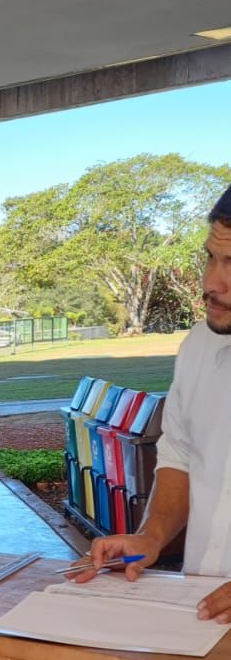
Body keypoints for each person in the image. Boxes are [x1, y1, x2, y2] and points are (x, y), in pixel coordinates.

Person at [74, 184, 231, 620]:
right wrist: (152, 536)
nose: (210, 283)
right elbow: (180, 457)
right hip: (200, 614)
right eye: (211, 257)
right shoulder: (198, 347)